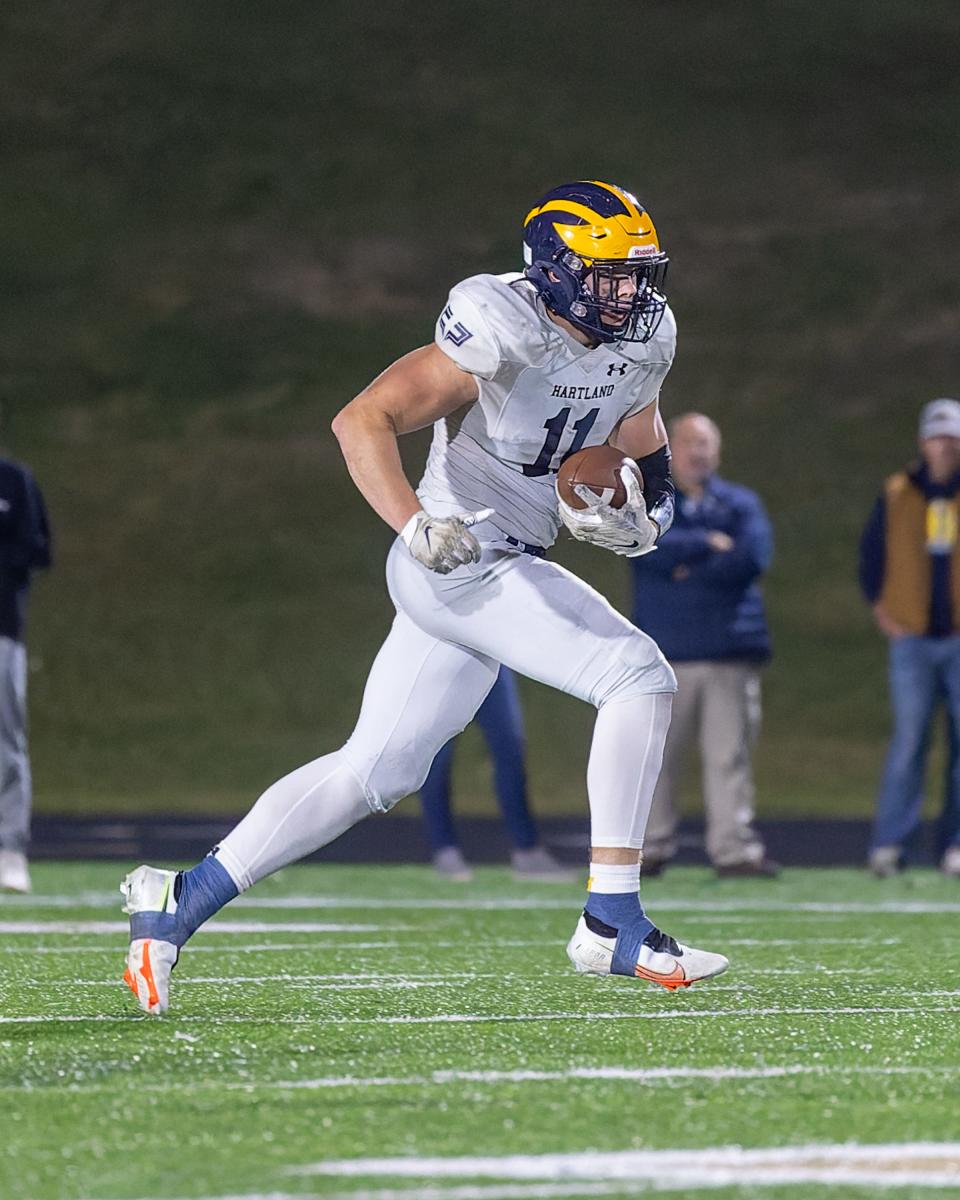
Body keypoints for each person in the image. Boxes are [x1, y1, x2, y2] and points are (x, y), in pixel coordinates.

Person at [120, 180, 729, 1014]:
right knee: (638, 676)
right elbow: (360, 419)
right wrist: (413, 524)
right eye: (607, 275)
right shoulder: (501, 321)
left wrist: (645, 513)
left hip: (505, 556)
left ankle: (175, 901)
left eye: (635, 274)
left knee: (374, 770)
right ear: (552, 270)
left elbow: (642, 442)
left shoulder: (645, 334)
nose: (630, 293)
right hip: (460, 552)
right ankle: (610, 918)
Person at [629, 413, 778, 877]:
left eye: (707, 443)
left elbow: (751, 558)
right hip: (665, 656)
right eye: (690, 442)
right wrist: (707, 544)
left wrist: (686, 568)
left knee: (728, 757)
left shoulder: (740, 503)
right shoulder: (649, 504)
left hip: (727, 652)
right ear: (671, 447)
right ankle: (649, 847)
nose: (699, 451)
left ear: (719, 450)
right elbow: (643, 548)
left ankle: (734, 850)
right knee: (656, 760)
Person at [859, 397, 960, 878]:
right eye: (939, 437)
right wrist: (882, 609)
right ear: (924, 441)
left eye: (953, 439)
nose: (945, 446)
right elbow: (871, 555)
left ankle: (955, 845)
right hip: (913, 640)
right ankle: (891, 843)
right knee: (909, 741)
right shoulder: (898, 491)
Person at [420, 666, 575, 882]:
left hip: (490, 657)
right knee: (437, 754)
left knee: (510, 748)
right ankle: (445, 849)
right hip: (445, 660)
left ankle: (527, 850)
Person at [0, 451, 52, 894]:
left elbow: (38, 547)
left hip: (1, 629)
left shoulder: (14, 480)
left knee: (6, 740)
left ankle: (10, 850)